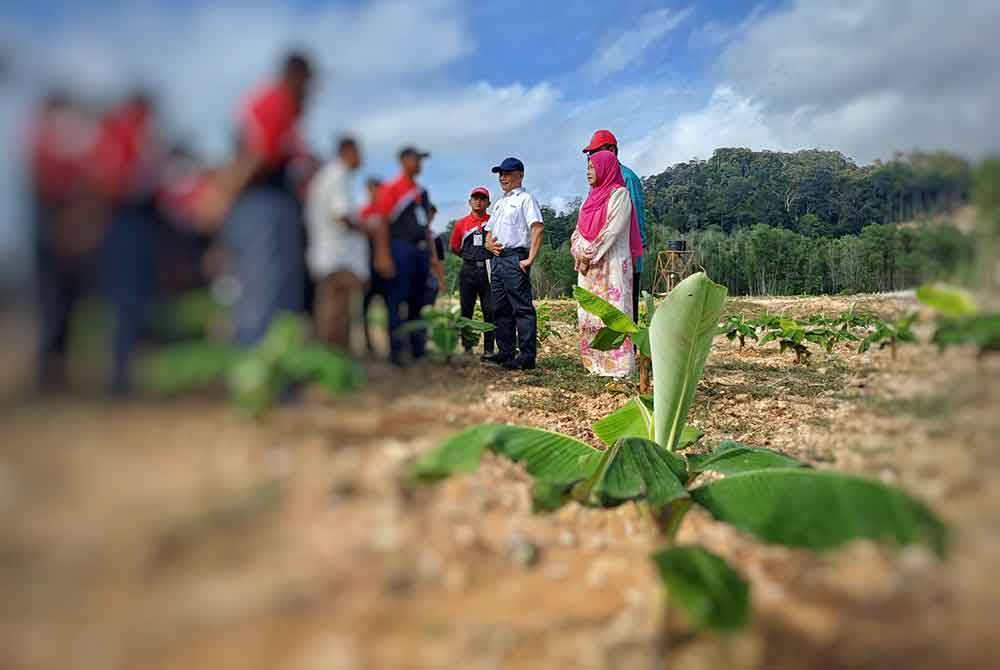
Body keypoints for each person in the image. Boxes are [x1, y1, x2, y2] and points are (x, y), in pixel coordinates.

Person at [214, 51, 314, 346]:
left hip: (272, 205)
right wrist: (222, 198)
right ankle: (260, 369)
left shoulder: (284, 108)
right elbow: (257, 154)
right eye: (308, 82)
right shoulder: (276, 100)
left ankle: (276, 366)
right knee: (265, 288)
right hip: (262, 204)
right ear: (297, 76)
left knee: (277, 287)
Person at [368, 147, 444, 366]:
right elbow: (382, 222)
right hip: (400, 249)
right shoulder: (392, 189)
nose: (420, 164)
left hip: (420, 251)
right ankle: (396, 351)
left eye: (421, 160)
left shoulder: (422, 192)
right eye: (416, 159)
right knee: (397, 299)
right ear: (404, 161)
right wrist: (382, 255)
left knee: (418, 301)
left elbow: (425, 226)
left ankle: (418, 348)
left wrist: (432, 257)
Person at [571, 150, 643, 377]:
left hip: (610, 265)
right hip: (588, 268)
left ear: (605, 168)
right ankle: (594, 364)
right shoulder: (588, 200)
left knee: (614, 313)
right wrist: (577, 252)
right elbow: (577, 232)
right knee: (589, 315)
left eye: (592, 168)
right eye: (587, 168)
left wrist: (588, 254)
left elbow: (612, 230)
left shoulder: (619, 194)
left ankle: (618, 368)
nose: (588, 173)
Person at [305, 136, 368, 351]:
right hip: (336, 256)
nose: (362, 158)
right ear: (348, 151)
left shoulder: (330, 176)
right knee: (336, 310)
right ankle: (332, 359)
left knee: (335, 309)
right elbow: (341, 215)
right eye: (359, 153)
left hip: (330, 254)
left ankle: (333, 359)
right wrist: (369, 229)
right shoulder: (338, 175)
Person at [483, 157, 544, 370]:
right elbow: (488, 232)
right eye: (500, 173)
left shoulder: (526, 199)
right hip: (498, 260)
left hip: (515, 257)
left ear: (520, 174)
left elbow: (537, 227)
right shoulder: (500, 203)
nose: (502, 177)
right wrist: (488, 244)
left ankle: (527, 356)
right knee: (499, 307)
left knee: (521, 308)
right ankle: (506, 351)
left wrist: (530, 258)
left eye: (507, 173)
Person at [582, 130, 646, 321]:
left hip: (622, 254)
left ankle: (627, 350)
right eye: (590, 154)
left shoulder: (627, 179)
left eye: (596, 151)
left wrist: (637, 252)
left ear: (612, 150)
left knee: (625, 309)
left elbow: (635, 218)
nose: (592, 157)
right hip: (598, 257)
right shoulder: (597, 183)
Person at [449, 186, 495, 355]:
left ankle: (489, 349)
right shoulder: (461, 224)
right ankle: (467, 347)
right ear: (470, 202)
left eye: (482, 198)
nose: (478, 201)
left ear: (488, 203)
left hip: (488, 269)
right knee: (466, 309)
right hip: (468, 270)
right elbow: (454, 247)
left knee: (490, 310)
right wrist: (468, 256)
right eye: (475, 198)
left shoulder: (493, 221)